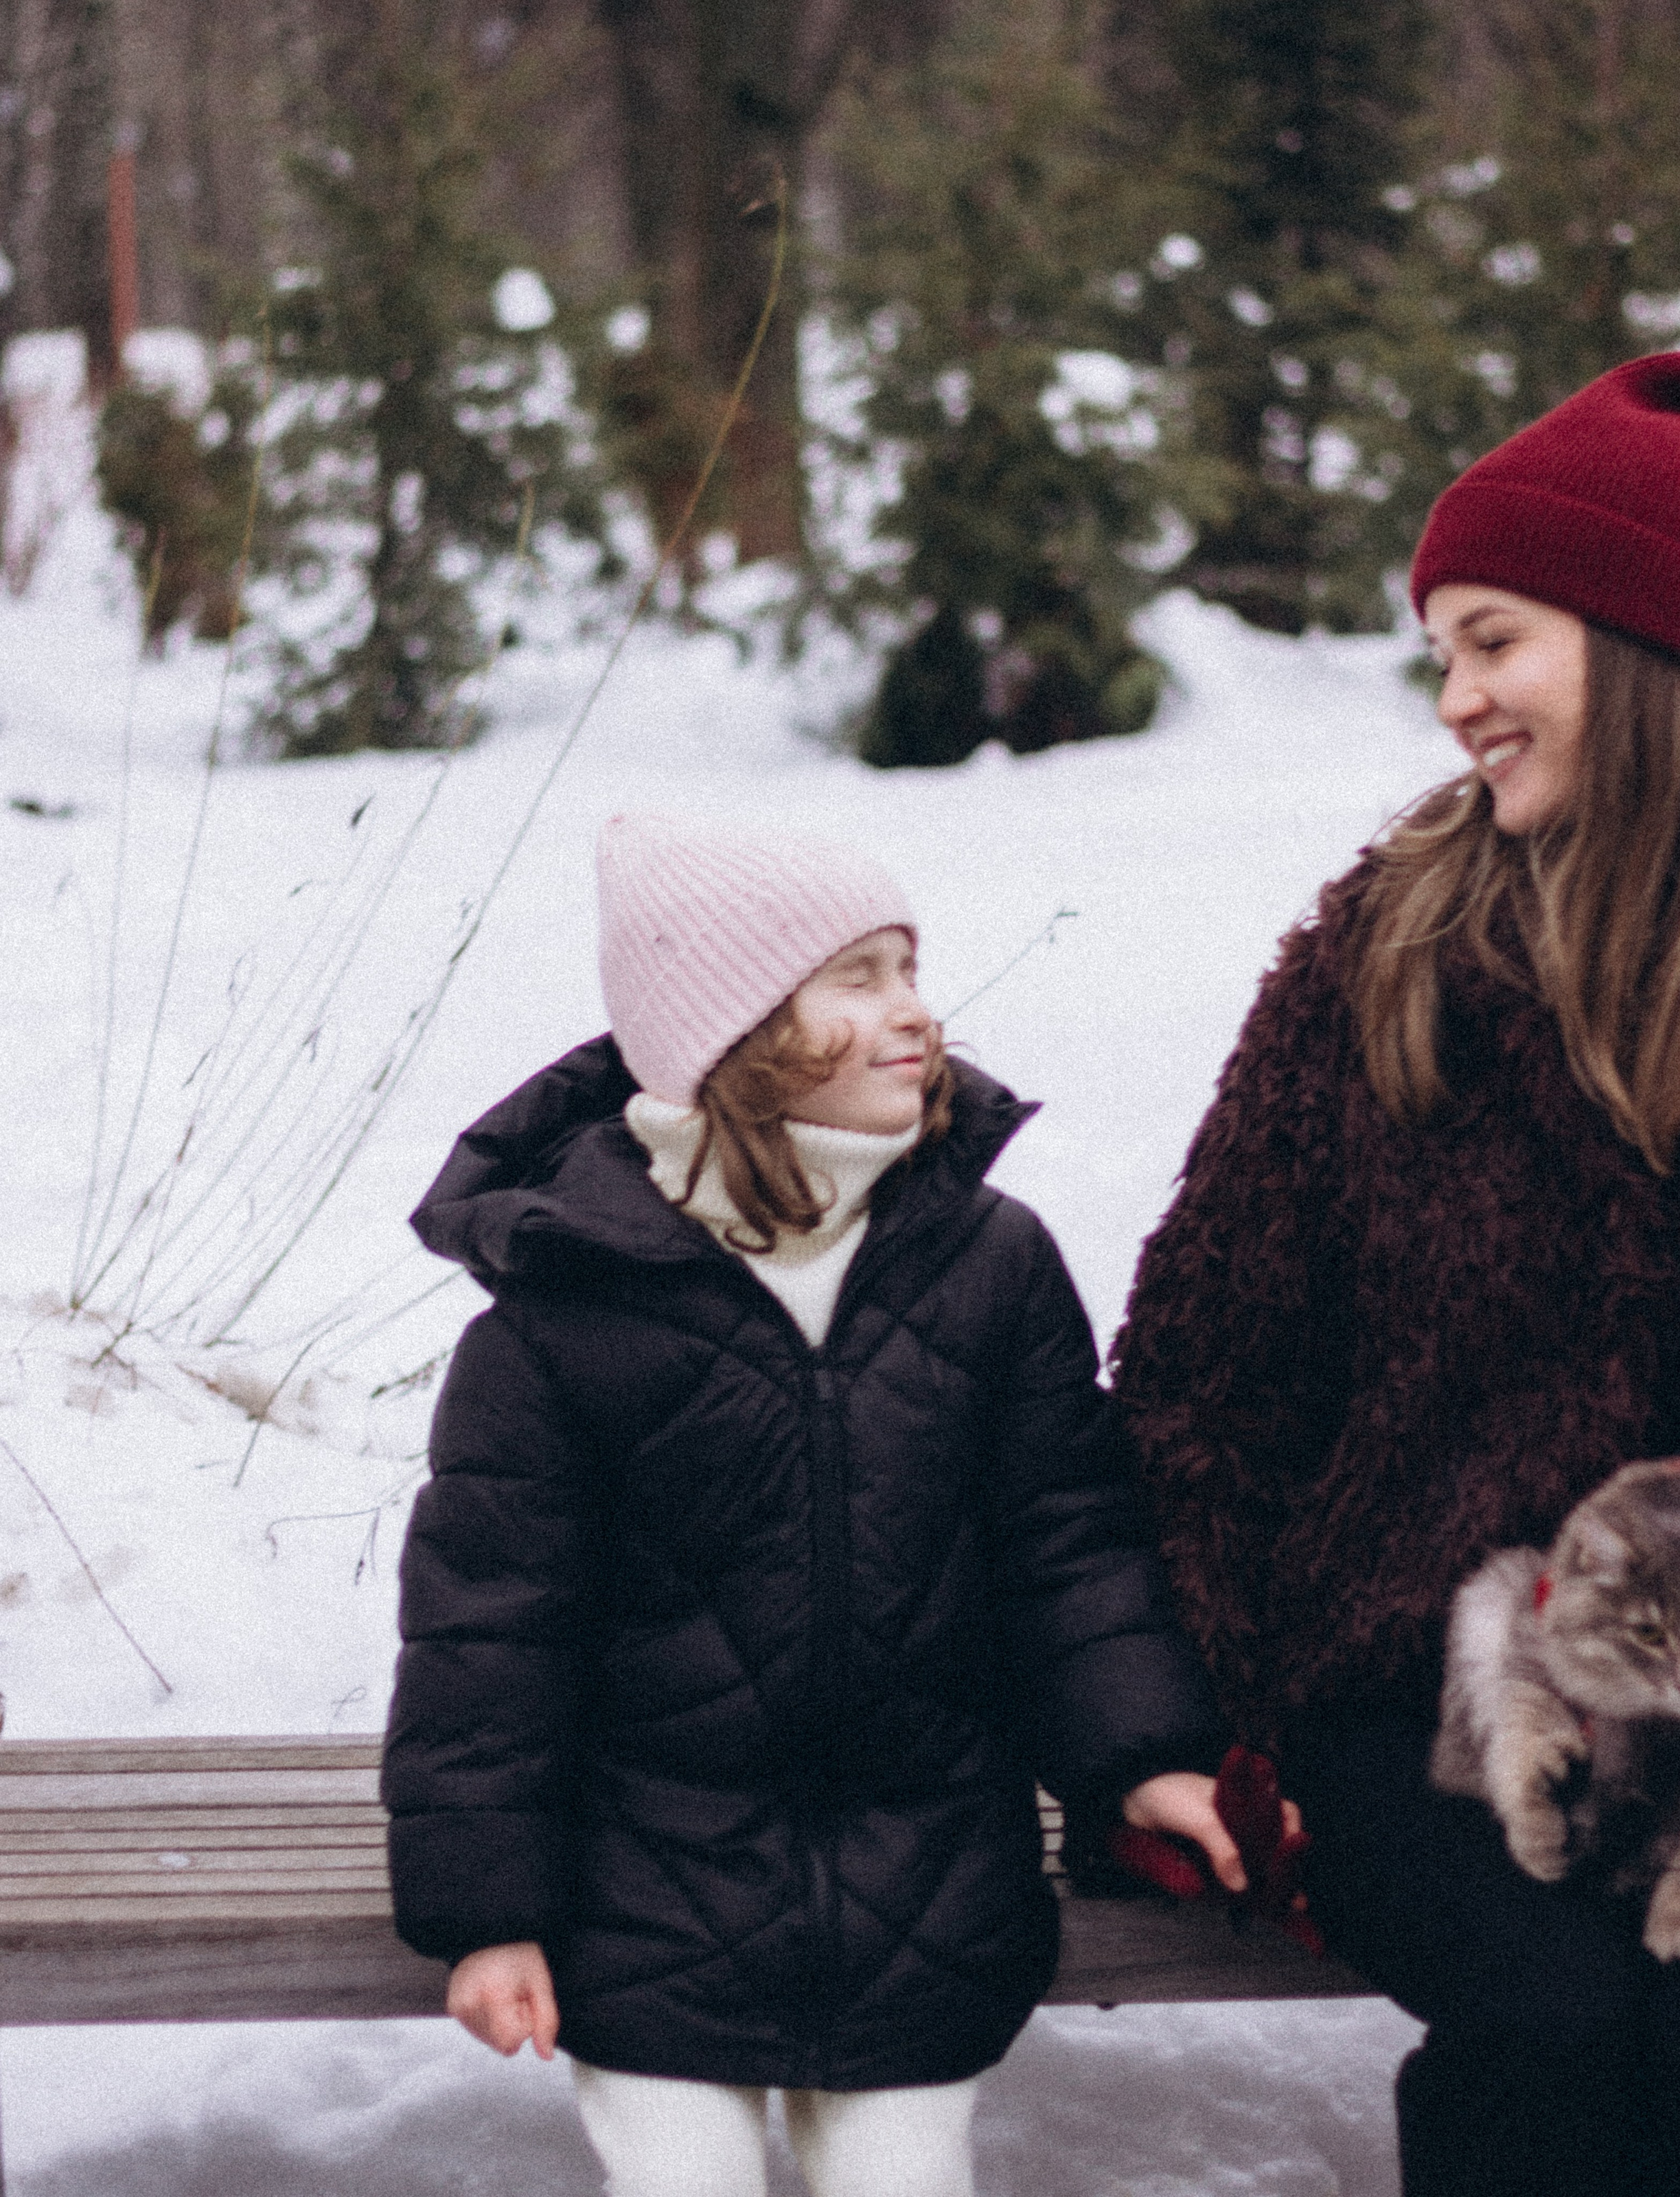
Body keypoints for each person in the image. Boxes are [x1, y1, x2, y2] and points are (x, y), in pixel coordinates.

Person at [382, 812, 1250, 2197]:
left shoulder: (989, 1262)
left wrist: (1138, 1754)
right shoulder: (566, 1308)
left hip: (925, 1880)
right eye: (858, 976)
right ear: (732, 1032)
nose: (914, 1011)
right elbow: (490, 1639)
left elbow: (1065, 1545)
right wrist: (488, 1912)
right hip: (644, 1889)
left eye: (909, 968)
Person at [1110, 349, 1680, 2197]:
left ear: (1651, 648)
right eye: (1440, 654)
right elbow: (1199, 1382)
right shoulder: (1383, 958)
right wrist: (1215, 1719)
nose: (1455, 698)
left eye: (1493, 641)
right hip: (1411, 1693)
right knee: (1548, 2014)